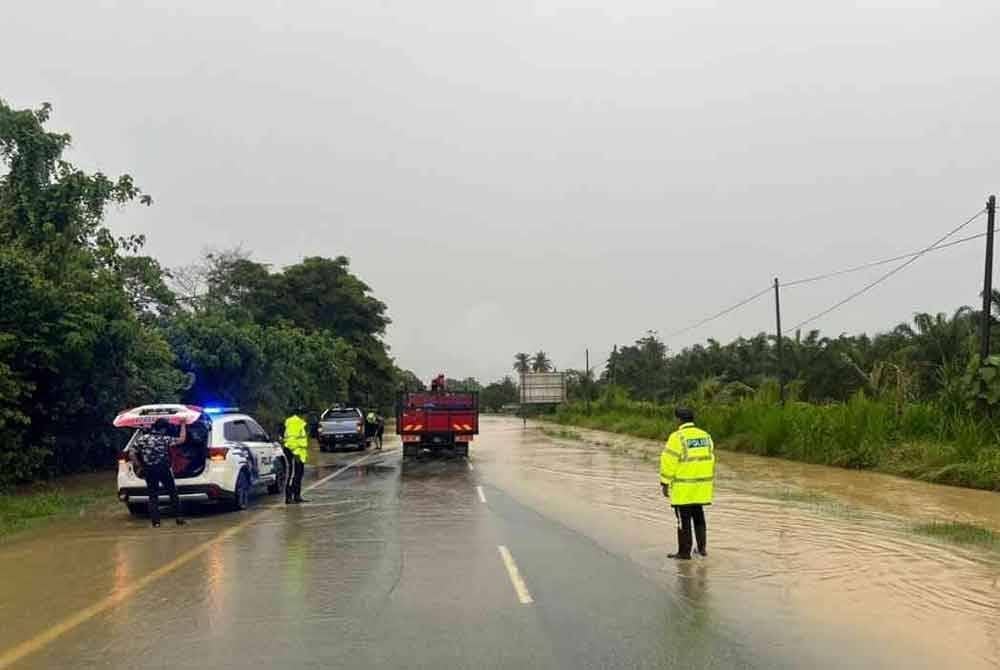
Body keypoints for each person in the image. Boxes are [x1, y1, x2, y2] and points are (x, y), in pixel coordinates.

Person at [659, 407, 715, 559]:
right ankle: (702, 549)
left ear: (679, 420)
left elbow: (668, 462)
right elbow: (710, 459)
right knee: (699, 516)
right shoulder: (706, 436)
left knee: (683, 520)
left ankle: (684, 552)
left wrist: (664, 483)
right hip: (701, 487)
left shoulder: (677, 437)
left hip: (683, 489)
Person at [133, 418, 187, 527]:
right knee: (172, 493)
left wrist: (139, 465)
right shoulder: (164, 438)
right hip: (163, 469)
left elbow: (132, 453)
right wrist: (183, 424)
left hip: (149, 469)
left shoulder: (142, 439)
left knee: (153, 495)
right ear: (163, 429)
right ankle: (179, 518)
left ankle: (156, 522)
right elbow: (182, 439)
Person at [283, 408, 309, 504]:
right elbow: (291, 441)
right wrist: (296, 454)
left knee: (299, 475)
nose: (307, 416)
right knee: (292, 474)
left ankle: (297, 496)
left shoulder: (300, 423)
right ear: (301, 414)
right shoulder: (294, 423)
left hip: (299, 454)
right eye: (305, 414)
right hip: (293, 453)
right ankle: (289, 497)